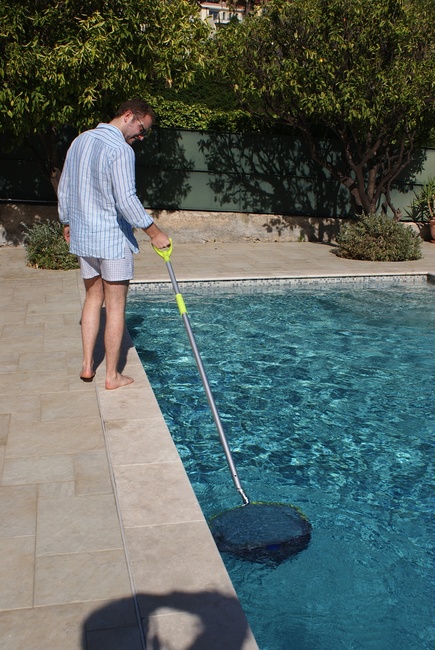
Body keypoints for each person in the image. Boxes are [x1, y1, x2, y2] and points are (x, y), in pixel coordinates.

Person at [58, 98, 170, 390]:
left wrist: (66, 220)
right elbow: (126, 199)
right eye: (141, 128)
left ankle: (86, 367)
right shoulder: (121, 149)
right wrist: (155, 233)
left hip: (84, 236)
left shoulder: (80, 141)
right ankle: (111, 375)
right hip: (112, 238)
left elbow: (65, 185)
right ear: (128, 115)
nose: (141, 136)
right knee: (116, 307)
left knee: (93, 299)